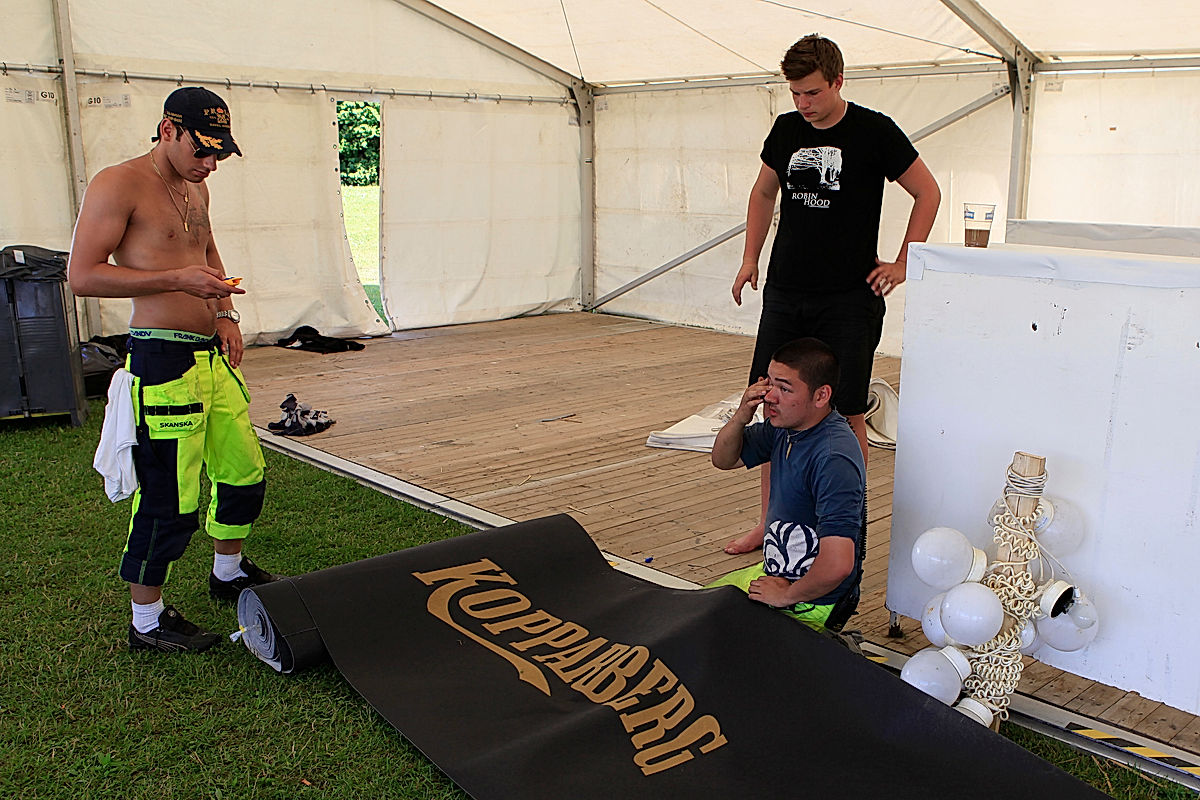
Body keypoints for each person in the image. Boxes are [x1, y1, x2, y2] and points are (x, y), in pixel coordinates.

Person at [68, 87, 278, 653]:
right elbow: (83, 276)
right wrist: (175, 281)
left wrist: (225, 311)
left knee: (243, 473)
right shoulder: (119, 183)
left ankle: (227, 573)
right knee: (169, 498)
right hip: (161, 362)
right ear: (168, 128)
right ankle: (147, 621)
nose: (209, 164)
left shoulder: (195, 185)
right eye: (202, 150)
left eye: (219, 154)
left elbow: (206, 249)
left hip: (210, 356)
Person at [725, 34, 940, 556]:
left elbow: (927, 192)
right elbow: (762, 192)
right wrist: (750, 256)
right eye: (796, 94)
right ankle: (771, 522)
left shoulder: (874, 131)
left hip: (849, 295)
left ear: (838, 81)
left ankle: (843, 528)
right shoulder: (785, 129)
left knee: (846, 411)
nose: (804, 104)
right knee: (773, 401)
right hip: (787, 290)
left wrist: (905, 261)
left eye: (813, 93)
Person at [708, 338, 865, 632]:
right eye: (769, 383)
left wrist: (787, 596)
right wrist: (741, 416)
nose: (770, 396)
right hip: (776, 573)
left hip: (815, 599)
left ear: (821, 396)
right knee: (697, 611)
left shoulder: (834, 457)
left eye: (784, 388)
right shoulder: (785, 427)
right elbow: (723, 459)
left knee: (720, 637)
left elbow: (839, 564)